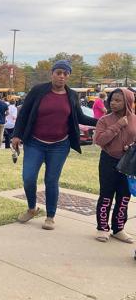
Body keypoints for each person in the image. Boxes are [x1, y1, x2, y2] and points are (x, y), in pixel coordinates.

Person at [12, 60, 97, 230]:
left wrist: (102, 121)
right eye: (58, 72)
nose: (62, 76)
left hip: (59, 145)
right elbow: (24, 113)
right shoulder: (38, 91)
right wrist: (16, 135)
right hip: (35, 142)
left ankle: (50, 216)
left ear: (68, 76)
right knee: (28, 178)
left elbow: (80, 117)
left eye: (65, 74)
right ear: (52, 73)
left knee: (51, 180)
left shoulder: (72, 95)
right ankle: (31, 208)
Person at [93, 88, 136, 243]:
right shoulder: (104, 120)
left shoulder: (135, 119)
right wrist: (117, 125)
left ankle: (118, 229)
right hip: (108, 160)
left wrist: (131, 147)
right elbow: (99, 140)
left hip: (128, 163)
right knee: (106, 195)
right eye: (112, 99)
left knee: (124, 196)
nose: (113, 103)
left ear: (128, 102)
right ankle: (102, 228)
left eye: (118, 100)